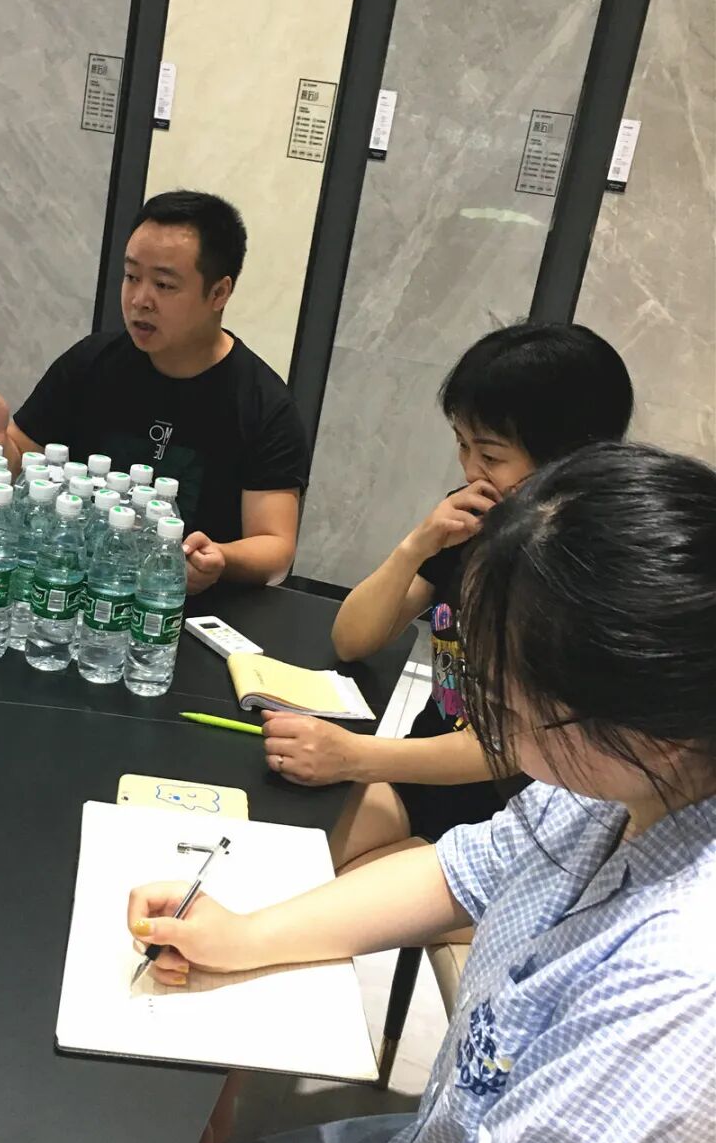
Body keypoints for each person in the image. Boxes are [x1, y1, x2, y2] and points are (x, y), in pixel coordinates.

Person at [130, 442, 716, 1143]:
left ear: (654, 724)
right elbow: (455, 873)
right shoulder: (617, 786)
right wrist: (244, 935)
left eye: (509, 705)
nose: (490, 718)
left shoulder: (683, 987)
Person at [260, 323, 634, 870]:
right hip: (424, 771)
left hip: (512, 822)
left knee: (323, 895)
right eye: (462, 445)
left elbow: (512, 745)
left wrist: (356, 756)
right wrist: (418, 543)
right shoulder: (475, 518)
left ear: (567, 459)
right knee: (283, 863)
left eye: (490, 455)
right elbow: (352, 639)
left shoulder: (581, 572)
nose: (469, 470)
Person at [0, 190, 310, 593]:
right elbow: (23, 463)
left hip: (185, 607)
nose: (140, 300)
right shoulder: (90, 364)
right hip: (76, 593)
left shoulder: (263, 404)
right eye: (132, 276)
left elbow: (275, 545)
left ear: (218, 293)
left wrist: (221, 558)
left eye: (164, 284)